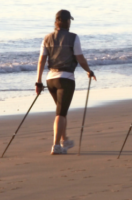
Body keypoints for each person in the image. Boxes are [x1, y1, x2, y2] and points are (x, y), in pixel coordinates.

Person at [36, 10, 96, 155]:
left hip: (50, 80)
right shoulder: (73, 37)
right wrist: (88, 70)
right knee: (61, 113)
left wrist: (38, 81)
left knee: (61, 111)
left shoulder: (47, 38)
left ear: (56, 21)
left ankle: (65, 140)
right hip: (66, 79)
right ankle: (56, 146)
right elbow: (80, 58)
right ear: (68, 21)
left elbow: (41, 60)